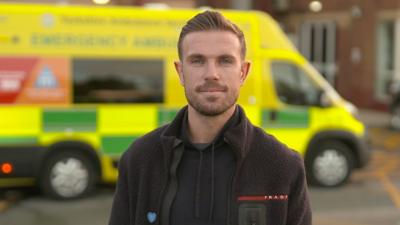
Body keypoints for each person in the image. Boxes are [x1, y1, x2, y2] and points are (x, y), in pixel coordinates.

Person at [108, 10, 312, 225]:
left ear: (243, 72)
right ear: (180, 72)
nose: (211, 74)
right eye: (197, 61)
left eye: (225, 60)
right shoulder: (140, 160)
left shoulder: (282, 166)